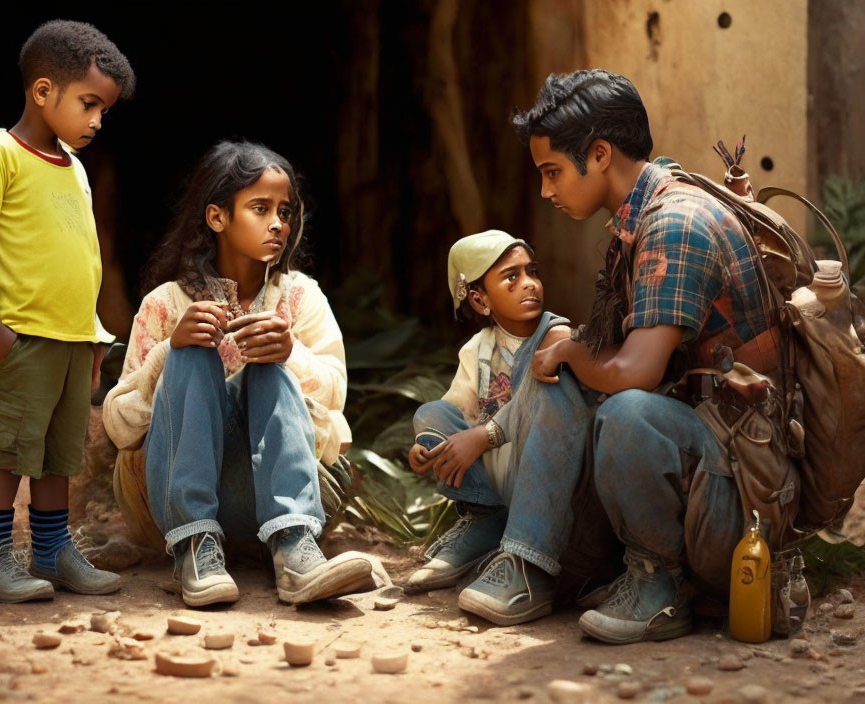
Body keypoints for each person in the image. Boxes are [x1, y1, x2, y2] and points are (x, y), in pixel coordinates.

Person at [511, 69, 770, 643]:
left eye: (552, 171)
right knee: (563, 355)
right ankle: (522, 555)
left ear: (599, 154)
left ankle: (659, 585)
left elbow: (636, 372)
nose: (547, 191)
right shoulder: (642, 214)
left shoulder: (675, 223)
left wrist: (573, 352)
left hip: (747, 498)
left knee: (624, 411)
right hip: (707, 455)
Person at [103, 140, 373, 608]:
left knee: (269, 369)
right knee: (189, 355)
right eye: (260, 208)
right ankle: (196, 548)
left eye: (285, 211)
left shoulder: (301, 297)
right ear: (217, 217)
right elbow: (119, 426)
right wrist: (169, 351)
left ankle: (295, 553)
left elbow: (336, 397)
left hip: (271, 496)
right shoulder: (165, 304)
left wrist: (289, 353)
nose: (278, 224)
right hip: (168, 497)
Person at [0, 20, 135, 603]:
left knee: (59, 455)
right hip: (23, 334)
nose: (95, 120)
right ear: (43, 92)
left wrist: (92, 337)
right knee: (12, 448)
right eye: (89, 104)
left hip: (71, 338)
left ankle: (51, 551)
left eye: (103, 111)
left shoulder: (76, 167)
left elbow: (83, 257)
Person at [407, 229, 600, 626]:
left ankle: (526, 562)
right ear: (479, 300)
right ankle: (486, 519)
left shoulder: (557, 335)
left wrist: (484, 435)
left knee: (546, 380)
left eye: (532, 271)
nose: (529, 283)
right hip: (499, 479)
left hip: (547, 476)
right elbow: (454, 410)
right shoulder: (476, 350)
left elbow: (538, 400)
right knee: (429, 415)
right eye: (511, 277)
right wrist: (426, 446)